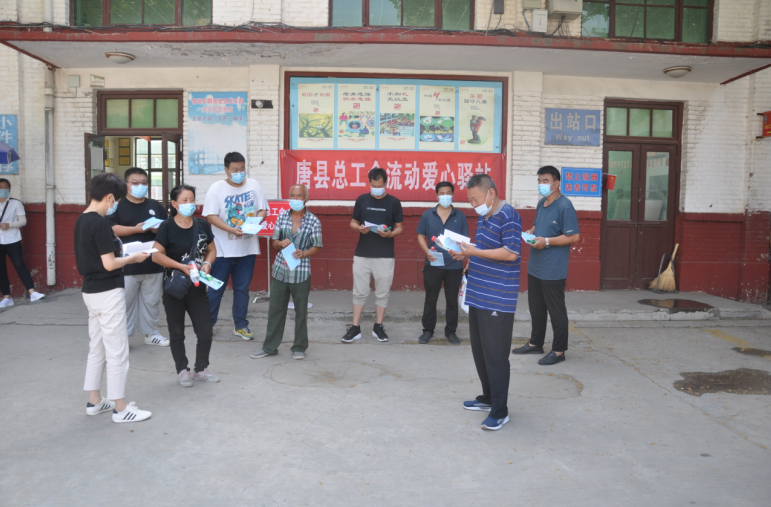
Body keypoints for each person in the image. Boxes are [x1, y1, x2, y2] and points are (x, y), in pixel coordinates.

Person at [74, 172, 152, 423]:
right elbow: (109, 264)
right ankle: (121, 408)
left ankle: (95, 400)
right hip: (108, 291)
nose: (116, 204)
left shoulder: (82, 219)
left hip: (91, 292)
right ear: (109, 197)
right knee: (117, 351)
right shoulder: (100, 224)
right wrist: (132, 258)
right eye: (116, 200)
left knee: (97, 348)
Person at [450, 173, 521, 431]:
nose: (473, 204)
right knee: (480, 352)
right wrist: (466, 255)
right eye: (469, 200)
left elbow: (511, 253)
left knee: (496, 355)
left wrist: (475, 252)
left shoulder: (508, 215)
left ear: (491, 193)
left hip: (497, 298)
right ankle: (488, 397)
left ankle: (500, 411)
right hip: (478, 294)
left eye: (475, 199)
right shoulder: (485, 216)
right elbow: (483, 251)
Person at [512, 165, 580, 365]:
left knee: (556, 311)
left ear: (556, 183)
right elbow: (537, 224)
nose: (541, 184)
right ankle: (535, 343)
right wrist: (531, 232)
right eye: (539, 180)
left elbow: (574, 236)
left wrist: (547, 241)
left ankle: (558, 351)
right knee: (537, 309)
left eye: (545, 181)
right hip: (536, 266)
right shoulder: (542, 202)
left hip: (553, 269)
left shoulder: (565, 206)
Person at [153, 184, 219, 387]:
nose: (190, 204)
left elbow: (212, 250)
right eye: (184, 200)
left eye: (192, 199)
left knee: (205, 331)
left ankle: (201, 369)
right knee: (177, 332)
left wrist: (207, 263)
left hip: (197, 288)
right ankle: (182, 370)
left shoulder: (202, 225)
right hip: (174, 288)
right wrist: (180, 267)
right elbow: (156, 255)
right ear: (174, 204)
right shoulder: (167, 226)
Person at [250, 184, 322, 361]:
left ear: (306, 199)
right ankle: (269, 347)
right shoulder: (282, 216)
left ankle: (299, 347)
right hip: (280, 271)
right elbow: (274, 242)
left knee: (300, 312)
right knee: (275, 311)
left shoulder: (313, 221)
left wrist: (304, 253)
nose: (295, 199)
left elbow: (317, 246)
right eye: (292, 196)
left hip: (301, 273)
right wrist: (280, 243)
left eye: (299, 196)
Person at [203, 152, 267, 340]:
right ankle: (207, 325)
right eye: (235, 170)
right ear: (226, 170)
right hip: (221, 251)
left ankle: (241, 325)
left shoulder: (254, 185)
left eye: (242, 169)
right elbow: (210, 216)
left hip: (247, 250)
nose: (239, 173)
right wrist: (230, 229)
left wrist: (254, 223)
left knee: (242, 290)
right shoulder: (216, 188)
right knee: (215, 290)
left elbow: (262, 209)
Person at [108, 168, 169, 347]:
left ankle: (151, 333)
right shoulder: (118, 205)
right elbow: (112, 228)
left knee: (152, 301)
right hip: (127, 264)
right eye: (135, 183)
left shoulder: (155, 205)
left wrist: (158, 230)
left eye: (144, 183)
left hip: (153, 262)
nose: (140, 186)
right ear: (126, 184)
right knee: (125, 303)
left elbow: (166, 227)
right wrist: (136, 229)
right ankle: (122, 338)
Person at [342, 168, 404, 344]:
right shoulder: (362, 200)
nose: (377, 188)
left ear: (386, 183)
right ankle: (355, 328)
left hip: (385, 255)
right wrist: (359, 228)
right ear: (369, 183)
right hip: (363, 253)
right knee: (359, 291)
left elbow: (400, 227)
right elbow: (353, 223)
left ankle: (378, 326)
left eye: (380, 185)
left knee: (382, 292)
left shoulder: (394, 202)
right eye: (374, 185)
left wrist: (390, 234)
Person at [416, 181, 468, 345]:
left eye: (448, 193)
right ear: (437, 195)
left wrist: (466, 258)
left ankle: (451, 331)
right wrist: (427, 251)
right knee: (431, 298)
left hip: (454, 265)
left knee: (452, 300)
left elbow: (465, 242)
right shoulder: (427, 215)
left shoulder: (460, 216)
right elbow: (420, 236)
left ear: (453, 194)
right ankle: (427, 330)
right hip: (433, 264)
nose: (445, 196)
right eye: (442, 193)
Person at [0, 178, 45, 307]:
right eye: (0, 187)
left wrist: (9, 225)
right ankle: (7, 297)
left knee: (19, 264)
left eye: (5, 187)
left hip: (13, 239)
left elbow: (23, 221)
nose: (3, 189)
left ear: (9, 189)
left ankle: (32, 292)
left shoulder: (15, 203)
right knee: (1, 269)